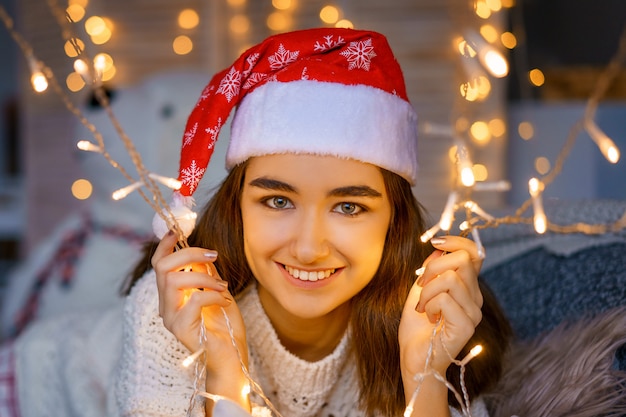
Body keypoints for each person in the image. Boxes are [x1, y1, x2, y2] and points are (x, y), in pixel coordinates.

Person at [117, 27, 512, 417]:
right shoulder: (174, 305)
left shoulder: (437, 314)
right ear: (235, 207)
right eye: (277, 201)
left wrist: (424, 373)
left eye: (348, 208)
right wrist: (225, 372)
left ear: (395, 220)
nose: (308, 249)